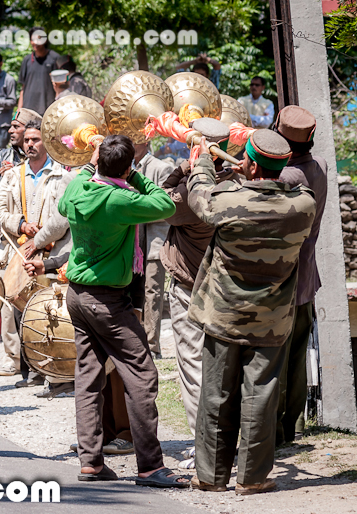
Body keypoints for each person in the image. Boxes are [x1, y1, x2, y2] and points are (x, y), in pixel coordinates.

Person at [187, 130, 316, 494]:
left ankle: (210, 477)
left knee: (216, 394)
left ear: (253, 164)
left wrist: (202, 159)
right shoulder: (303, 206)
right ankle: (252, 478)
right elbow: (297, 185)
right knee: (261, 395)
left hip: (223, 314)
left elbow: (199, 194)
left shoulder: (227, 201)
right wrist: (255, 168)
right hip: (272, 320)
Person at [59, 135, 187, 486]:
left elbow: (64, 203)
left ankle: (91, 462)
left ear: (97, 162)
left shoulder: (78, 188)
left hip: (77, 295)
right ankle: (149, 465)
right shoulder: (121, 198)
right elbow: (164, 205)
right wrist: (137, 177)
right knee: (142, 376)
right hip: (108, 302)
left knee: (88, 379)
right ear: (128, 167)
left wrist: (95, 164)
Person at [159, 127, 237, 470]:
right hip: (227, 289)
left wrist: (181, 170)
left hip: (189, 287)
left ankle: (203, 443)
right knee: (225, 365)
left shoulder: (190, 195)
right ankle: (228, 441)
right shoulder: (236, 185)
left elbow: (159, 201)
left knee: (192, 364)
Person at [0, 119, 74, 390]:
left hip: (54, 251)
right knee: (15, 307)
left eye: (35, 139)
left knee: (48, 310)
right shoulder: (12, 175)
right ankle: (22, 365)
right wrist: (19, 224)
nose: (29, 144)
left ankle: (51, 367)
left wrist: (42, 239)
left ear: (47, 142)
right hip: (19, 249)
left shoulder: (64, 175)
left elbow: (64, 216)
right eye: (26, 140)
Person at [274, 106, 327, 445]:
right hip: (306, 278)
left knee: (276, 360)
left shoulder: (285, 178)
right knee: (296, 359)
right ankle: (290, 427)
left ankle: (274, 430)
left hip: (281, 281)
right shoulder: (319, 166)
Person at [133, 142, 174, 360]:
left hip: (152, 244)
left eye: (135, 138)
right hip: (129, 243)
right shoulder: (122, 165)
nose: (130, 142)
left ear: (146, 142)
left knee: (152, 293)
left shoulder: (161, 167)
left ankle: (152, 346)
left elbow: (167, 207)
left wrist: (134, 209)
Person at [0, 108, 41, 197]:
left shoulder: (45, 158)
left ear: (29, 130)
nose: (10, 130)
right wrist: (4, 179)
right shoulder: (0, 157)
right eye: (11, 126)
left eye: (16, 126)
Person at [18, 27, 60, 115]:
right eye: (33, 39)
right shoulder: (27, 60)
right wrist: (19, 110)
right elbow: (23, 88)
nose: (35, 42)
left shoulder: (54, 58)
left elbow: (60, 86)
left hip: (49, 110)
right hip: (28, 110)